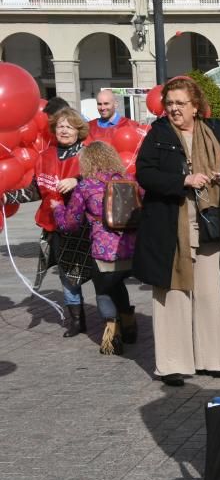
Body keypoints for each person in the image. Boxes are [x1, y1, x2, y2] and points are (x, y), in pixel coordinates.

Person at [132, 76, 220, 387]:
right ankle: (174, 364)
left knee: (211, 294)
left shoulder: (217, 130)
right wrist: (183, 182)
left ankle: (211, 360)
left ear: (196, 106)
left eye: (180, 103)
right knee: (172, 295)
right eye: (169, 103)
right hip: (170, 224)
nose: (173, 109)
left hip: (211, 222)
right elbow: (145, 173)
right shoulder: (158, 133)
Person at [3, 107, 92, 336]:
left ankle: (118, 320)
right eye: (60, 126)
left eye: (69, 126)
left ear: (78, 130)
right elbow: (35, 191)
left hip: (86, 226)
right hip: (55, 224)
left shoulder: (88, 154)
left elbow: (103, 181)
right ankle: (76, 320)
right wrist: (5, 197)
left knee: (99, 277)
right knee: (66, 273)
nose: (63, 130)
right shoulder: (45, 156)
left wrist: (77, 180)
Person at [52, 142, 139, 355]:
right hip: (131, 249)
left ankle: (113, 335)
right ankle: (129, 325)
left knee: (103, 290)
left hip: (103, 251)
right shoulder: (131, 181)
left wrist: (58, 209)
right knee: (117, 284)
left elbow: (69, 224)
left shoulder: (86, 186)